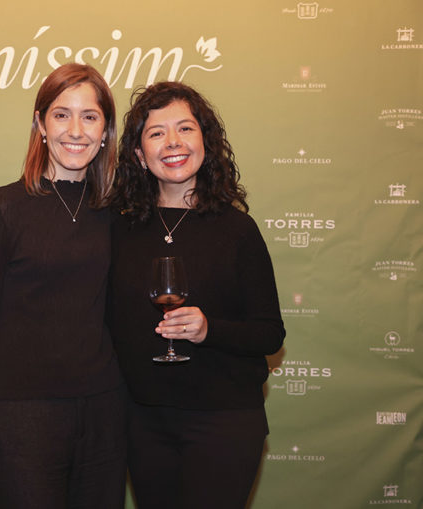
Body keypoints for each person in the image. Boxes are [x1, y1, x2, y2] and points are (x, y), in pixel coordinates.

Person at [0, 63, 127, 509]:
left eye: (90, 116)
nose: (76, 130)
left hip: (104, 412)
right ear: (41, 125)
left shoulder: (119, 214)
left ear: (105, 131)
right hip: (23, 414)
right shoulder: (1, 209)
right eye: (62, 115)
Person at [108, 81, 286, 509]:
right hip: (142, 422)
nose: (173, 142)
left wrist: (210, 330)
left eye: (185, 128)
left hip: (223, 421)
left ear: (205, 141)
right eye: (156, 133)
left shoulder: (238, 230)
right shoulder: (119, 229)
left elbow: (269, 334)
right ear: (139, 154)